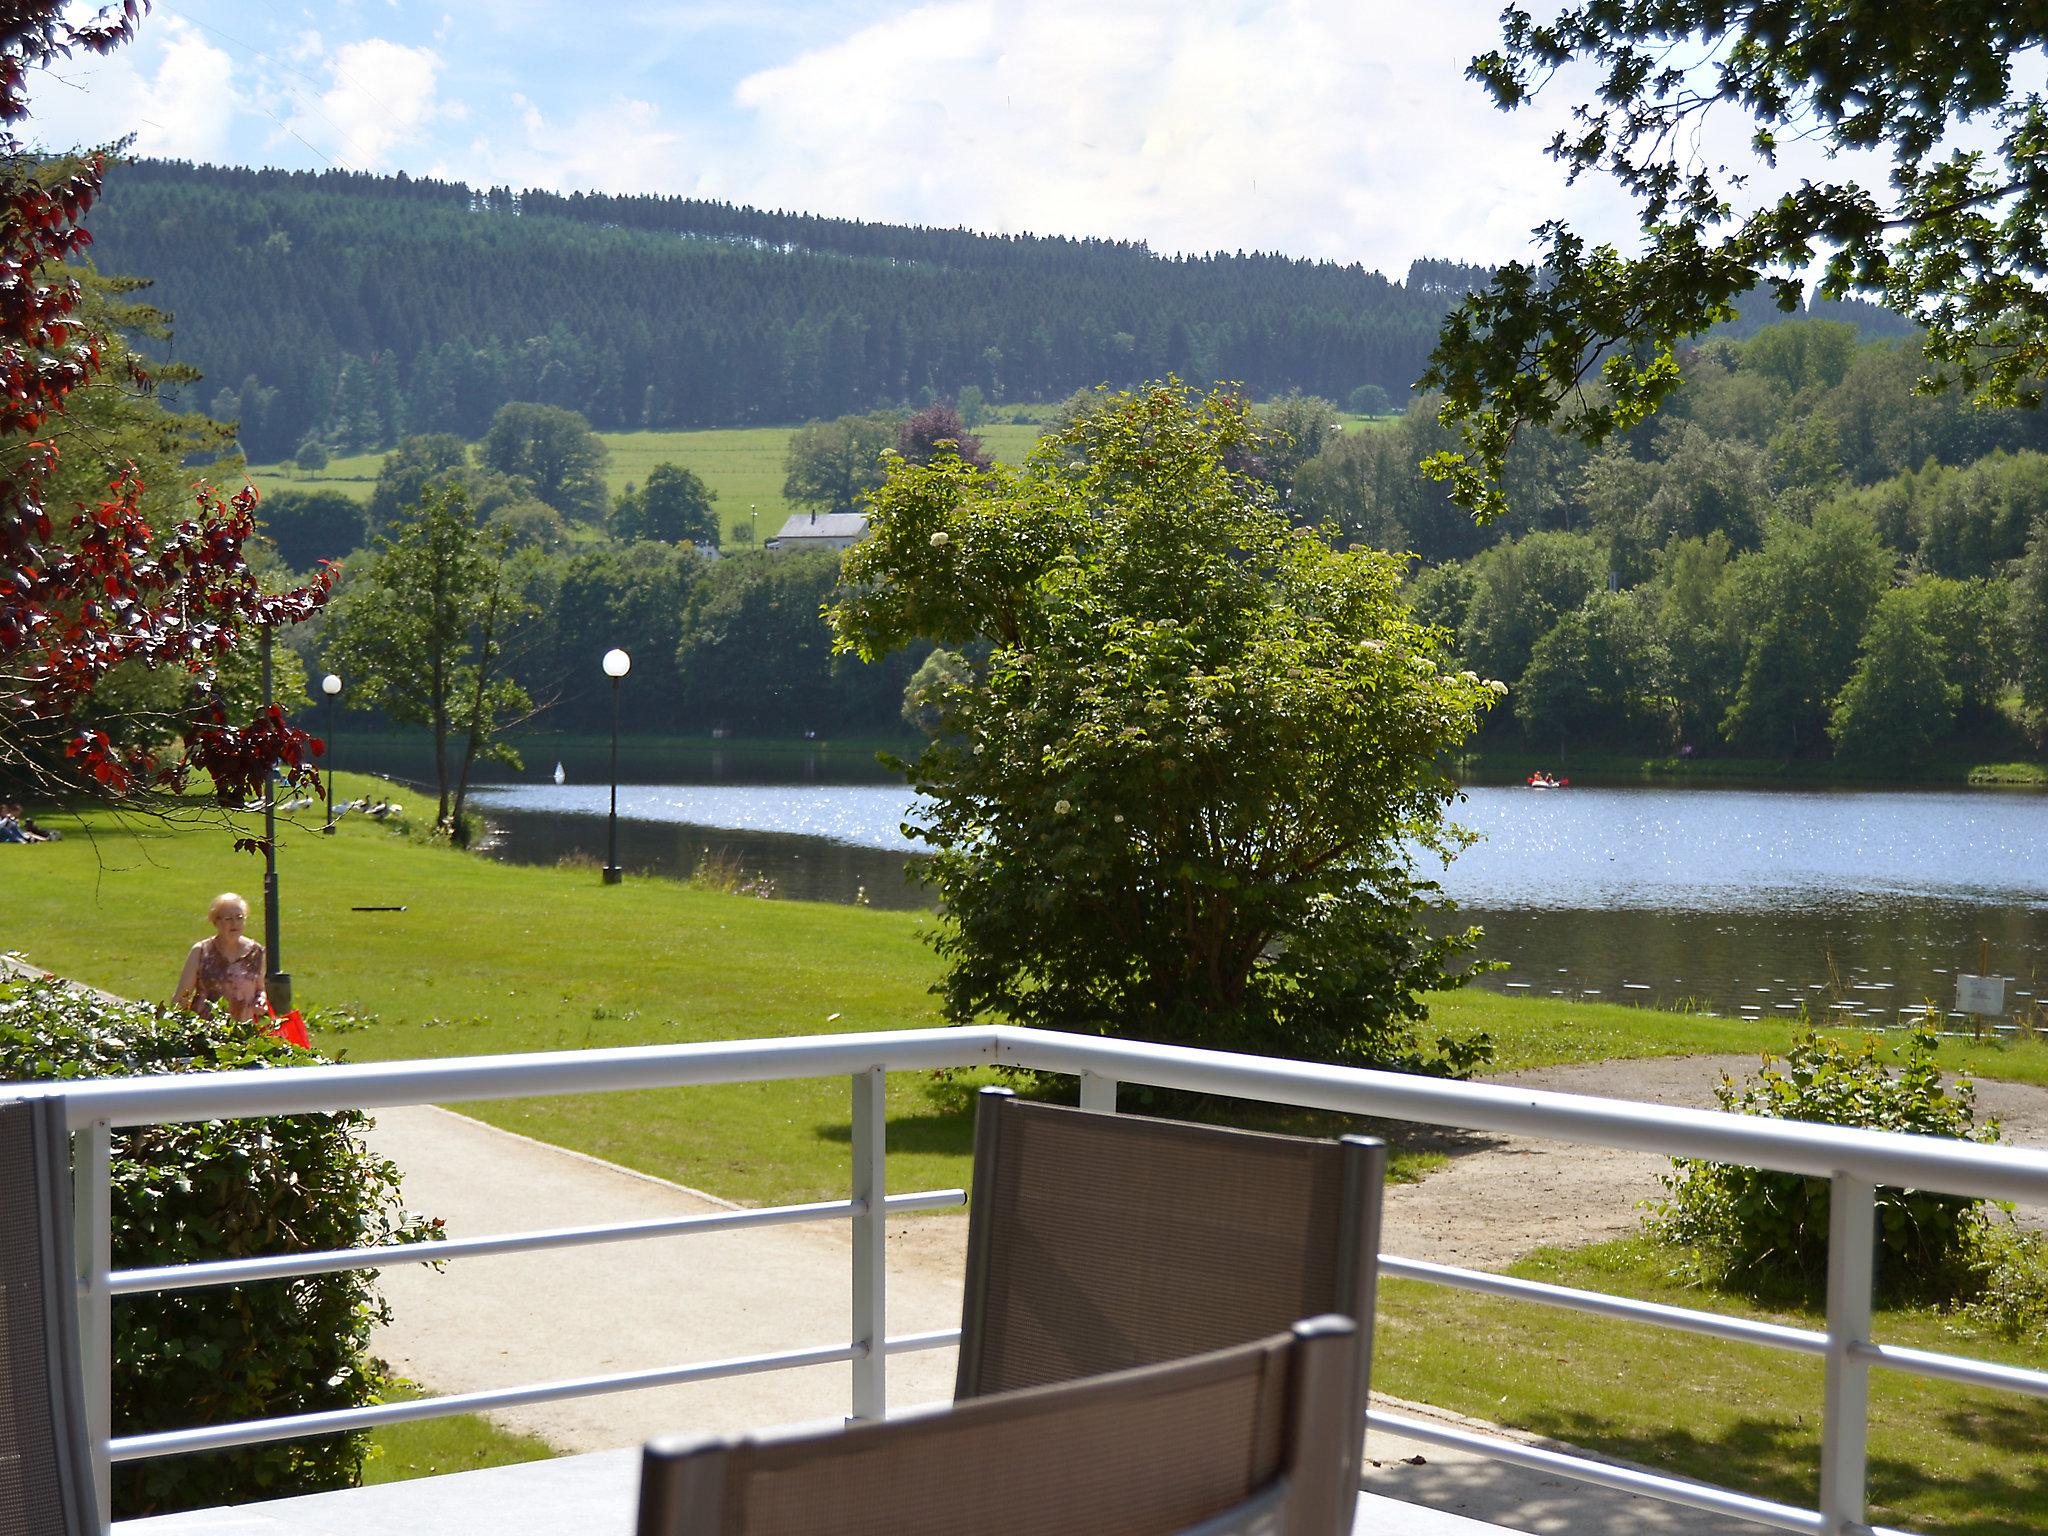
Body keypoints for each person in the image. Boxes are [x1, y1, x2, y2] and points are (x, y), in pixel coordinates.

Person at [172, 892, 268, 1022]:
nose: (235, 923)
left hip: (244, 1031)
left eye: (239, 918)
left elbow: (261, 989)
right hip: (206, 1032)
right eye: (228, 919)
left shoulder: (256, 952)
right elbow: (182, 996)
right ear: (215, 921)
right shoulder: (201, 951)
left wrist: (261, 999)